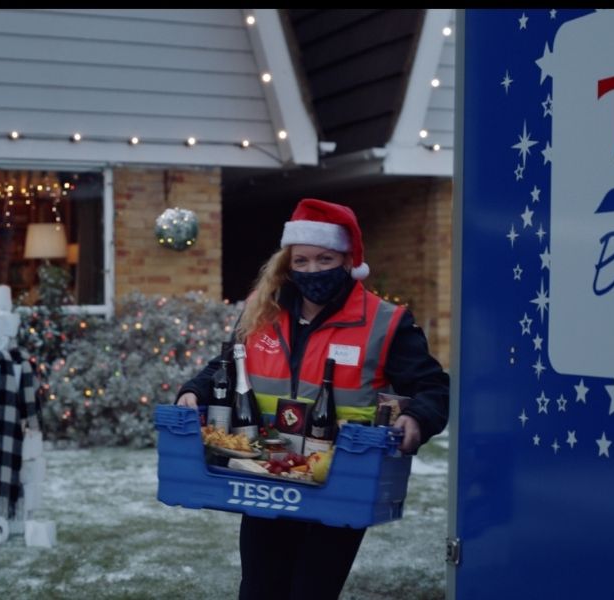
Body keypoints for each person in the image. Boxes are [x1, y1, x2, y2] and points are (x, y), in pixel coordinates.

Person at [176, 198, 450, 599]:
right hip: (267, 474)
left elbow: (433, 387)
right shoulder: (262, 309)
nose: (312, 271)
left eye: (325, 259)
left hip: (341, 483)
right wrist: (194, 390)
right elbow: (229, 363)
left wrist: (418, 418)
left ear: (348, 259)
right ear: (288, 263)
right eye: (301, 261)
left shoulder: (385, 321)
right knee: (258, 590)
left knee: (312, 592)